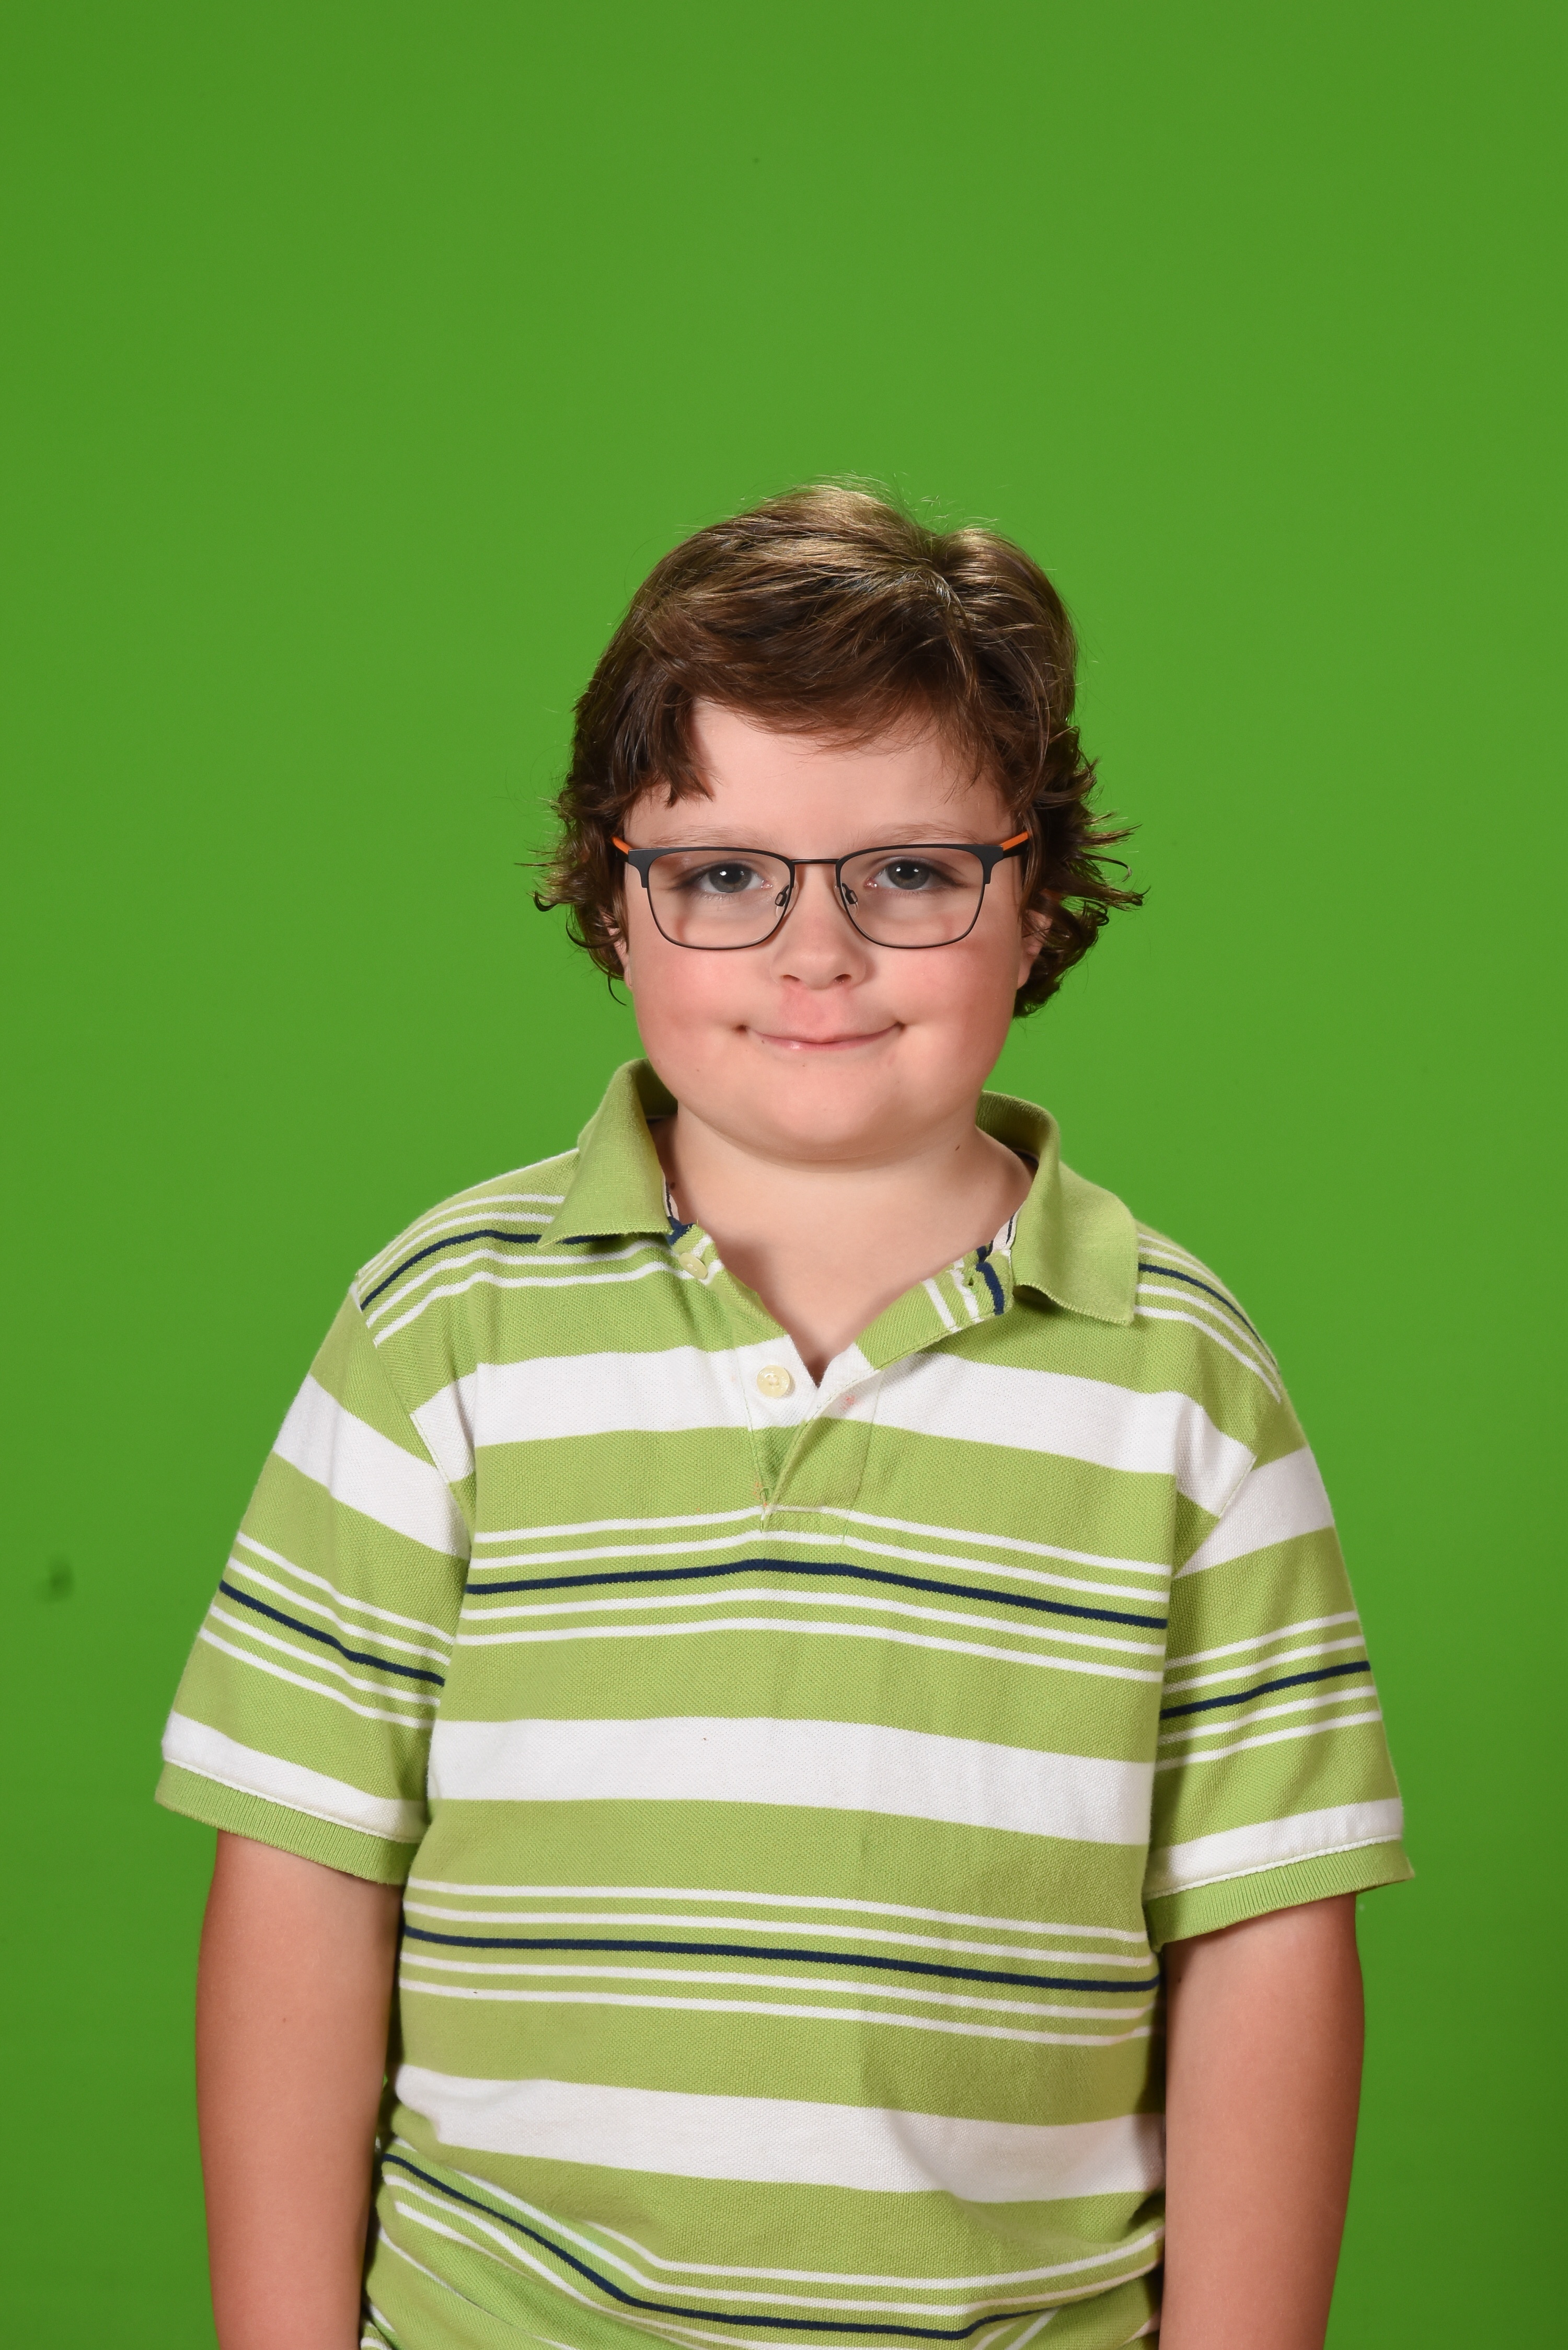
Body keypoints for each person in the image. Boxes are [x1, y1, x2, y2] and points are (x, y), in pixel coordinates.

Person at [160, 486, 1410, 2350]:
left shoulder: (1183, 1380)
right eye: (727, 875)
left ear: (1035, 901)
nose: (816, 953)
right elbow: (302, 1875)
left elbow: (1268, 1940)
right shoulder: (442, 1328)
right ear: (614, 898)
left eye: (908, 873)